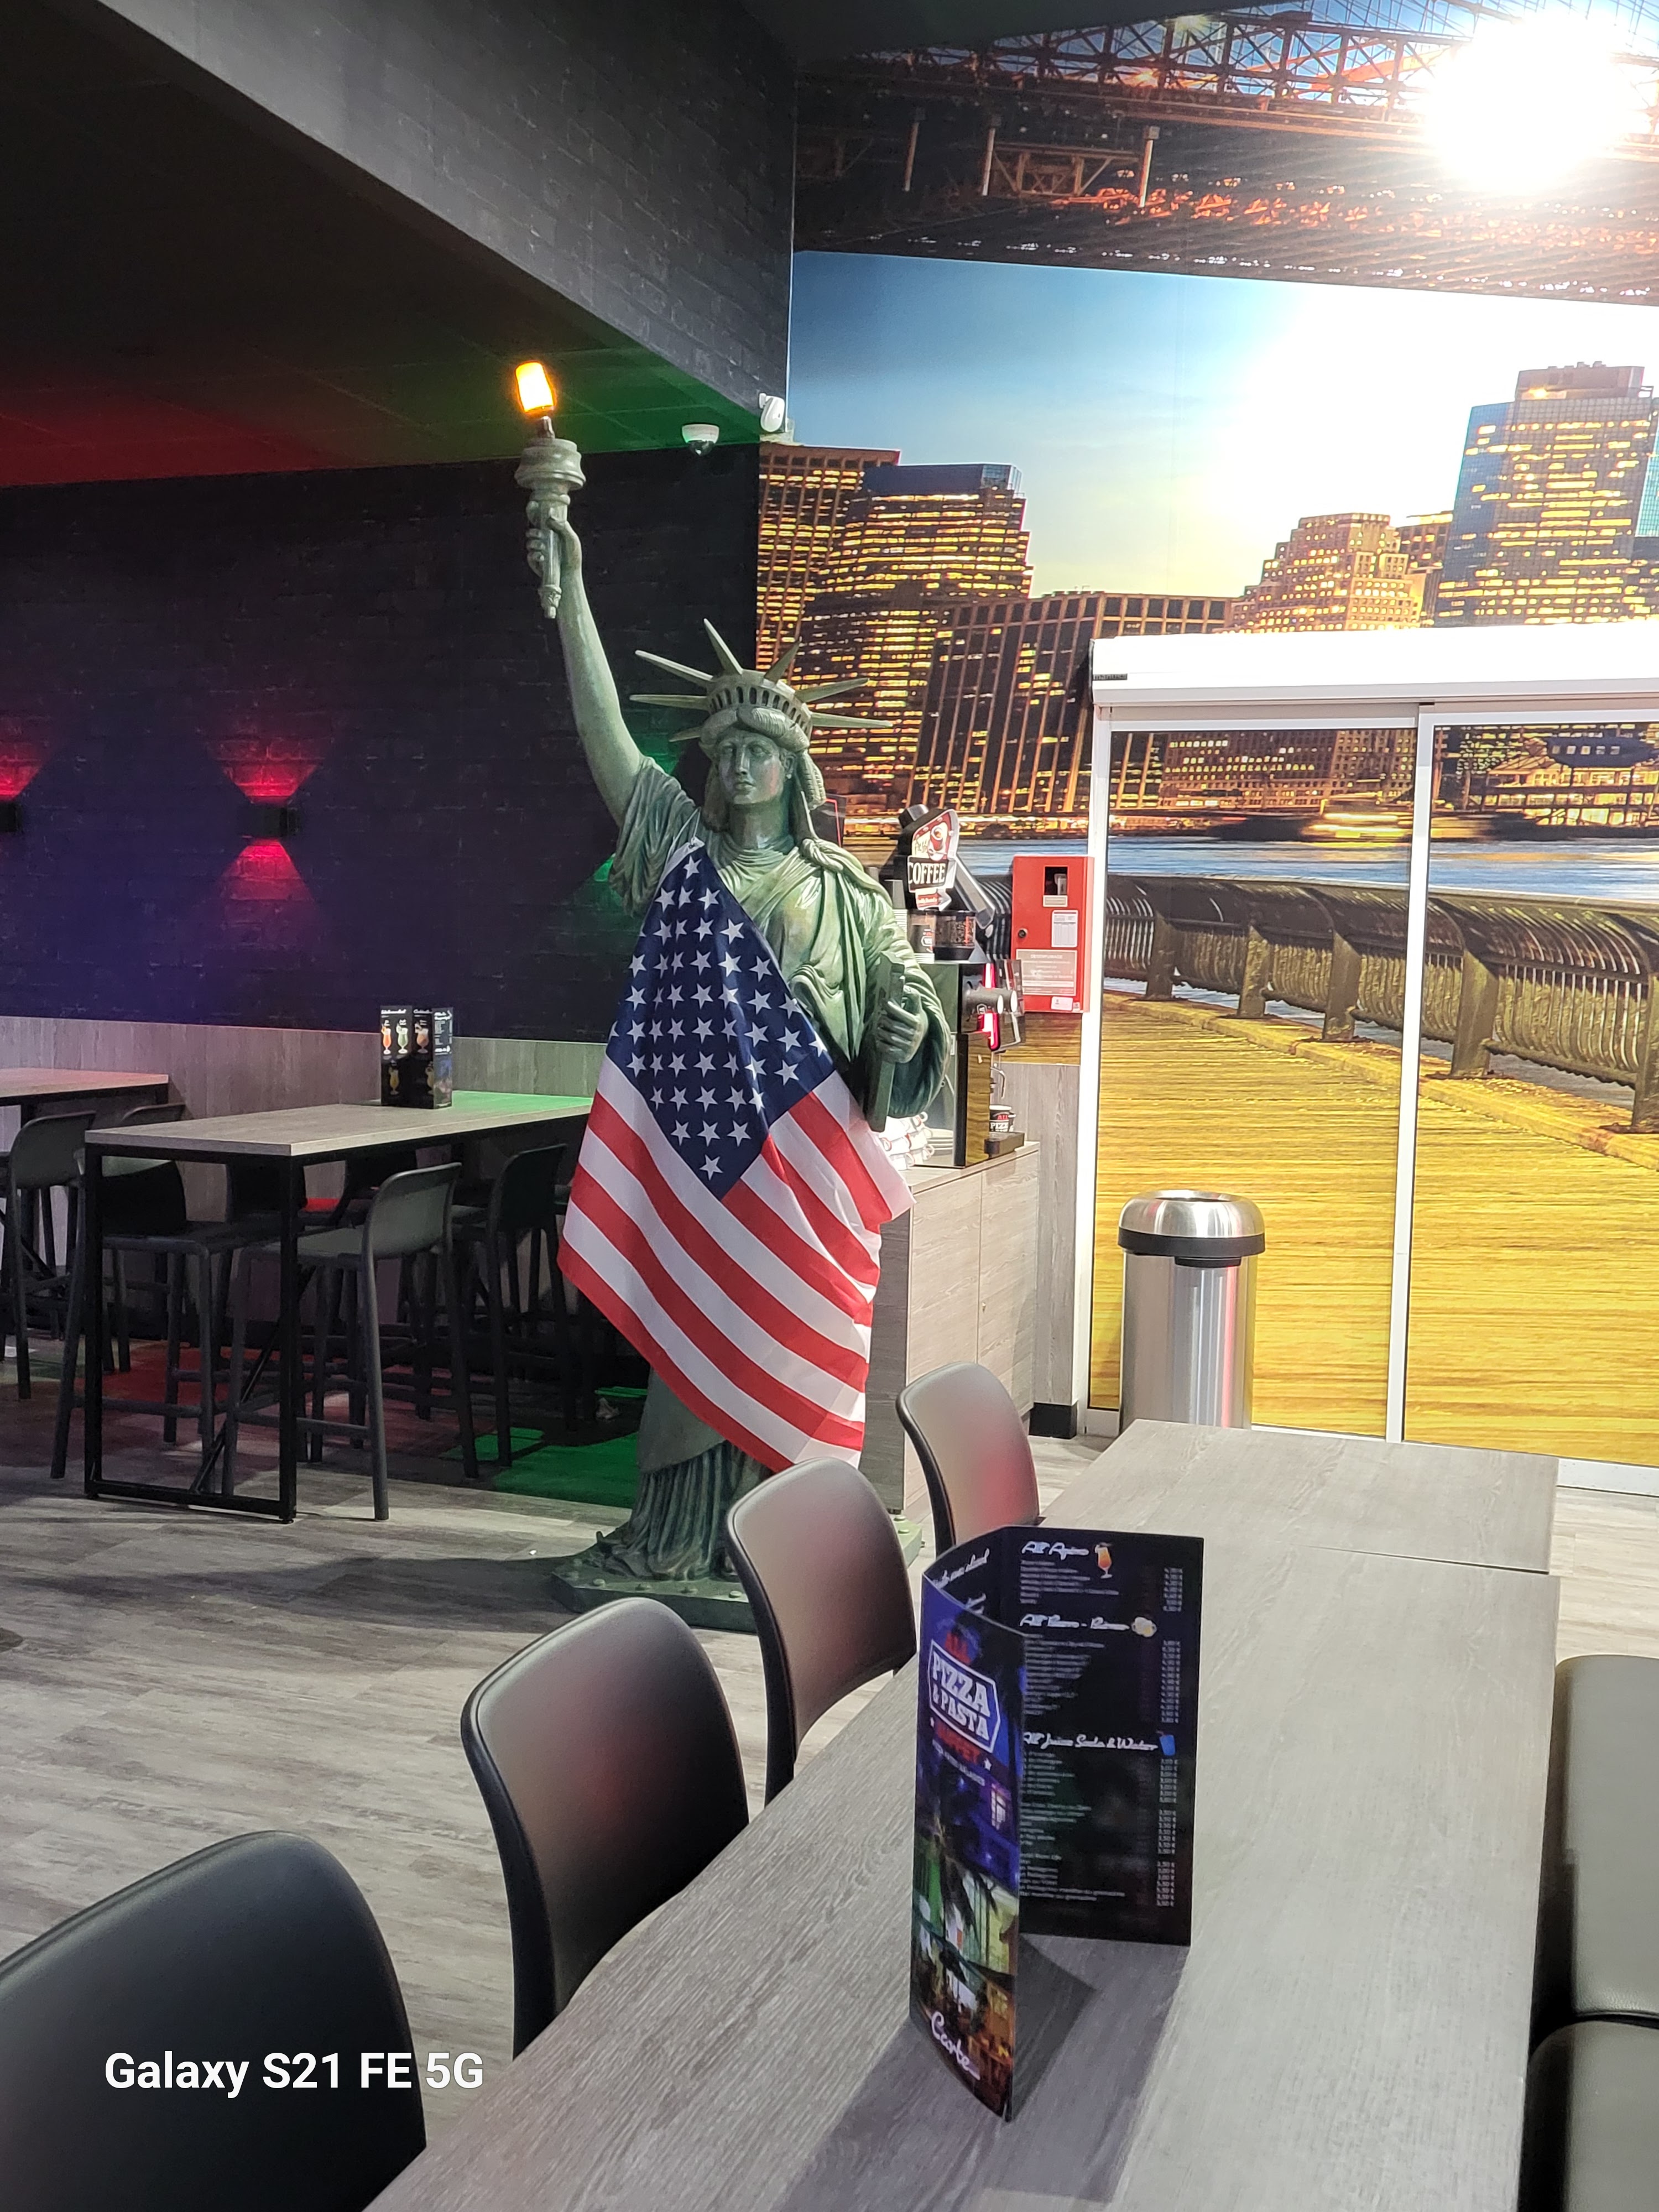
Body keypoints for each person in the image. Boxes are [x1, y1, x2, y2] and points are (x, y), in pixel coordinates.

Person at [540, 471, 950, 1582]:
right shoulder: (680, 855)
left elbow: (900, 1025)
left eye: (758, 748)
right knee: (698, 1345)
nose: (738, 763)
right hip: (703, 1167)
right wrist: (573, 585)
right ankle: (685, 1541)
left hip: (807, 1178)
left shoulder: (848, 891)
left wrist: (905, 1039)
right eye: (723, 750)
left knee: (798, 1354)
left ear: (793, 766)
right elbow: (606, 740)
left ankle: (794, 1548)